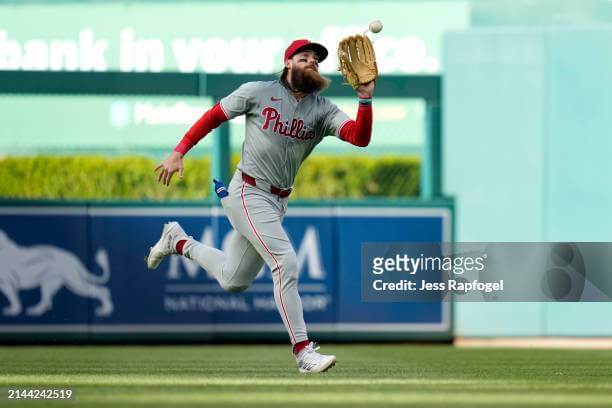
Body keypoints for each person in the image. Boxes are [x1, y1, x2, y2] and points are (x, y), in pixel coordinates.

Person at [146, 38, 374, 374]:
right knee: (286, 262)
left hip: (278, 200)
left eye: (316, 59)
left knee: (233, 279)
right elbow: (214, 116)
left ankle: (177, 240)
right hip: (249, 191)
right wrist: (179, 150)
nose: (312, 62)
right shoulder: (257, 92)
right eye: (304, 57)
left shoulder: (322, 109)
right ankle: (303, 352)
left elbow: (359, 137)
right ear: (287, 63)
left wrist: (364, 99)